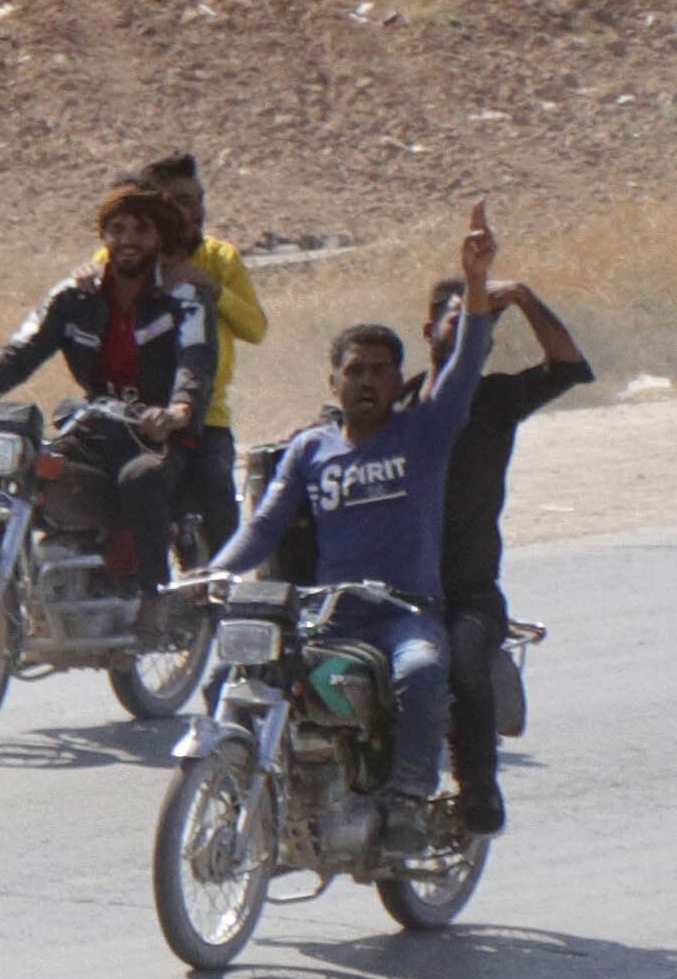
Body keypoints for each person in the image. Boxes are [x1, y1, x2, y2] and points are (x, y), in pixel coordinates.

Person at [205, 205, 506, 859]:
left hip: (406, 615)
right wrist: (211, 576)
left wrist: (477, 282)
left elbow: (469, 359)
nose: (368, 381)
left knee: (424, 672)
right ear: (334, 380)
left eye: (380, 371)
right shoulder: (310, 450)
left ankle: (406, 797)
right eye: (355, 371)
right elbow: (263, 527)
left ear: (398, 381)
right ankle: (235, 783)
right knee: (232, 669)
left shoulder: (424, 431)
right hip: (328, 616)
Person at [0, 182, 223, 566]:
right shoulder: (75, 295)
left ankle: (151, 597)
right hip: (98, 427)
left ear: (160, 238)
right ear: (103, 235)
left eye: (142, 231)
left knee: (140, 479)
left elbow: (196, 362)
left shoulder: (186, 297)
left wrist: (178, 410)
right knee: (12, 470)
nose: (128, 240)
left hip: (160, 436)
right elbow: (22, 349)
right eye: (118, 229)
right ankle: (19, 596)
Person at [425, 257, 590, 833]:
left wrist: (521, 296)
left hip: (466, 592)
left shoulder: (495, 399)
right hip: (395, 590)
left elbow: (569, 365)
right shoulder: (394, 404)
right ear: (428, 330)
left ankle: (479, 787)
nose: (471, 330)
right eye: (458, 318)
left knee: (467, 671)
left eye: (482, 324)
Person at [130, 150, 271, 554]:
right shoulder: (124, 255)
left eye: (198, 199)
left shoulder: (220, 258)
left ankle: (219, 594)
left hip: (205, 415)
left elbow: (255, 328)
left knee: (214, 487)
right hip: (137, 413)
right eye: (181, 201)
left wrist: (210, 287)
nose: (196, 211)